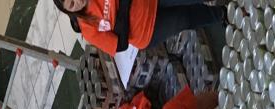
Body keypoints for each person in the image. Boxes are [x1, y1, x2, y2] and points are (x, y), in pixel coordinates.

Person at [53, 0, 224, 55]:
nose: (78, 1)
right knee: (185, 18)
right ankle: (222, 14)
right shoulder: (88, 28)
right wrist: (124, 8)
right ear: (70, 12)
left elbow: (121, 33)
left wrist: (121, 21)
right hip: (148, 31)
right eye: (72, 4)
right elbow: (120, 45)